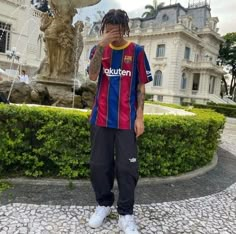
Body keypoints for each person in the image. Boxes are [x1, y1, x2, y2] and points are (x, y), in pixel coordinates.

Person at [88, 9, 153, 234]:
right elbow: (92, 75)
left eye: (116, 28)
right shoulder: (98, 50)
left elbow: (140, 86)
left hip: (127, 121)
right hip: (101, 118)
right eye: (108, 28)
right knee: (98, 166)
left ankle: (126, 214)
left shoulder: (137, 51)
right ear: (104, 28)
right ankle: (103, 205)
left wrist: (140, 117)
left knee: (127, 168)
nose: (112, 32)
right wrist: (101, 45)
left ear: (124, 28)